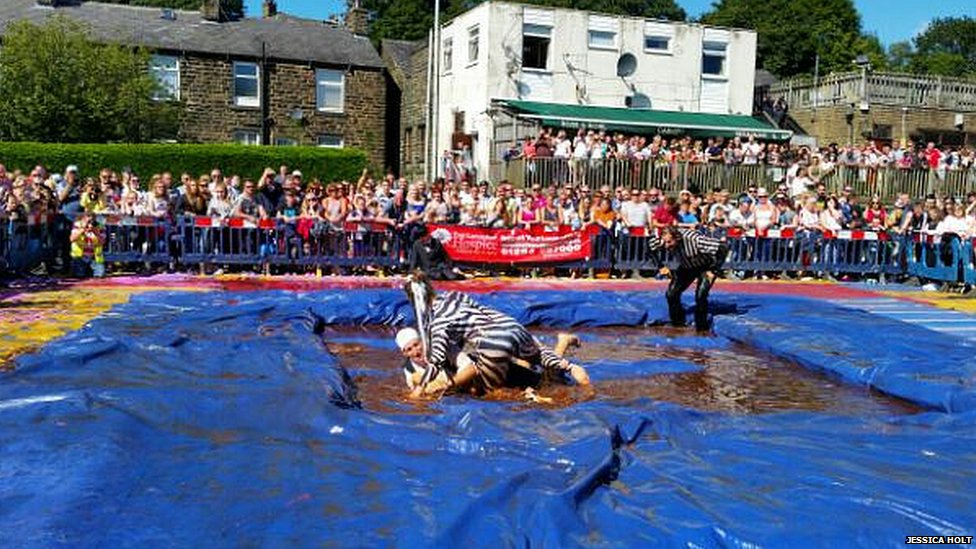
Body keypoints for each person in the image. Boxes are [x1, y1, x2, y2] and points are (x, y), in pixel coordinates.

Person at [402, 273, 590, 398]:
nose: (415, 350)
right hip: (509, 325)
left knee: (492, 393)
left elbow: (437, 362)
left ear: (414, 301)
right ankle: (571, 365)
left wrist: (421, 390)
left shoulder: (437, 323)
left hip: (492, 340)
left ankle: (559, 351)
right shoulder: (454, 296)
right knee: (542, 362)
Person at [649, 226, 729, 332]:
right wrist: (660, 266)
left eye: (669, 242)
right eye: (665, 243)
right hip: (686, 266)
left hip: (705, 266)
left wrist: (714, 270)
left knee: (700, 296)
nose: (667, 246)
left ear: (677, 238)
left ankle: (701, 328)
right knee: (671, 294)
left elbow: (723, 247)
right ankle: (678, 324)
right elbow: (650, 249)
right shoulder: (662, 241)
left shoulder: (695, 239)